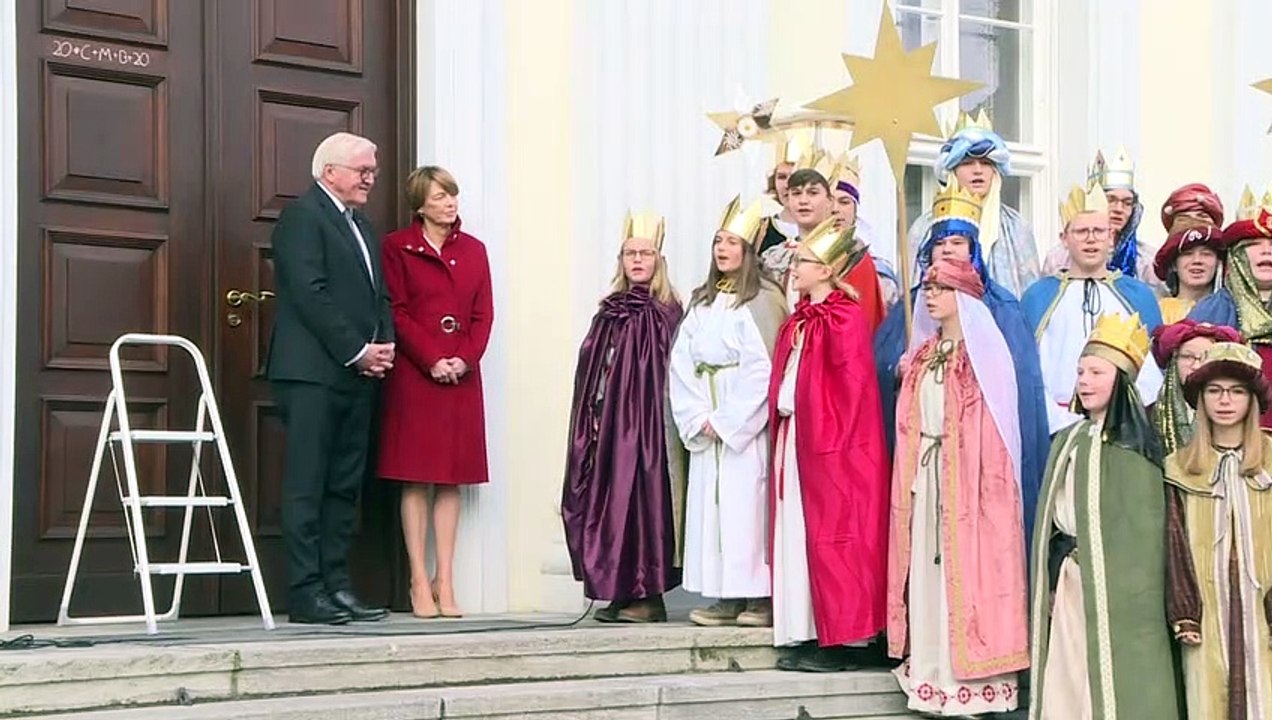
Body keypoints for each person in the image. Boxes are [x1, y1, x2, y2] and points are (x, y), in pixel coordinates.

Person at [887, 258, 1028, 715]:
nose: (930, 296)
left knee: (969, 576)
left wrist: (974, 481)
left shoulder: (983, 356)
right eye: (928, 287)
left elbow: (997, 428)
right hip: (927, 475)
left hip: (972, 482)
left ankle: (973, 684)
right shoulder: (925, 355)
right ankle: (933, 676)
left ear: (963, 297)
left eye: (941, 288)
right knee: (929, 576)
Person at [267, 131, 395, 625]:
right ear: (330, 172)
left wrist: (382, 346)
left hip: (359, 375)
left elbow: (377, 294)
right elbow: (309, 292)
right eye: (363, 171)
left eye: (372, 172)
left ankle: (337, 586)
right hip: (312, 375)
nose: (370, 179)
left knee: (344, 485)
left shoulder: (362, 225)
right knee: (308, 482)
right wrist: (357, 350)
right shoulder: (303, 217)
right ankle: (305, 593)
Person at [875, 180, 1048, 544]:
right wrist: (898, 370)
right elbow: (880, 363)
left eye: (958, 243)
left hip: (979, 455)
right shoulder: (909, 306)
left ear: (974, 250)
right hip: (923, 448)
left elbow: (1018, 381)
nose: (949, 250)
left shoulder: (1001, 307)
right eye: (941, 243)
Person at [1028, 313, 1181, 720]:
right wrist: (1054, 567)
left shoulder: (1136, 450)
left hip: (1120, 592)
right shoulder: (1068, 440)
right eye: (1080, 371)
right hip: (1073, 581)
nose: (1085, 380)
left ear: (1122, 382)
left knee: (1119, 678)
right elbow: (1054, 522)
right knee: (1070, 671)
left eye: (1097, 372)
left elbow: (1143, 534)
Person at [768, 218, 888, 672]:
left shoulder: (844, 318)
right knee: (801, 536)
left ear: (826, 270)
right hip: (798, 438)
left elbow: (851, 390)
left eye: (803, 262)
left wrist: (822, 427)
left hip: (835, 448)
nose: (795, 268)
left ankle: (840, 638)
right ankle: (806, 628)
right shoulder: (799, 318)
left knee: (834, 537)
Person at [378, 166, 493, 619]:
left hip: (462, 375)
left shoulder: (475, 251)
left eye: (453, 195)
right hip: (417, 374)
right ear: (420, 204)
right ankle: (417, 579)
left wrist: (465, 358)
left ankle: (445, 579)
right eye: (440, 196)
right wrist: (432, 359)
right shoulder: (397, 248)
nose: (450, 203)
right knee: (416, 475)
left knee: (451, 477)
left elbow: (483, 315)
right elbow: (398, 311)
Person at [670, 195, 787, 628]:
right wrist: (697, 415)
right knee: (712, 510)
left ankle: (757, 594)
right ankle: (723, 594)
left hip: (742, 427)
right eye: (718, 241)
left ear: (749, 251)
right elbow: (681, 362)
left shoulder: (762, 300)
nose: (723, 249)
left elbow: (763, 367)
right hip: (706, 416)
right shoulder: (702, 301)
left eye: (732, 242)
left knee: (746, 508)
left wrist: (727, 421)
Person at [561, 212, 684, 624]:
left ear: (658, 260)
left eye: (645, 253)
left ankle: (647, 595)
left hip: (644, 430)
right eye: (630, 253)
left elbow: (662, 371)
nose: (637, 260)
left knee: (641, 505)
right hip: (607, 426)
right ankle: (617, 590)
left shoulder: (664, 312)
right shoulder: (609, 311)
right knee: (608, 505)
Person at [1165, 341, 1272, 719]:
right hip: (1207, 612)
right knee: (1210, 697)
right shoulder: (1179, 468)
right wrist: (1185, 613)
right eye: (1214, 391)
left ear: (1251, 400)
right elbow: (1175, 543)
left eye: (1237, 391)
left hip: (1263, 611)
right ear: (1201, 400)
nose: (1225, 400)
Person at [1021, 181, 1163, 433]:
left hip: (1123, 427)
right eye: (1081, 231)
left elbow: (1151, 367)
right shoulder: (1038, 296)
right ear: (1064, 239)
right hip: (1054, 427)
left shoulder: (1138, 295)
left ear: (1111, 237)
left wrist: (1122, 416)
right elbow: (1027, 366)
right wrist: (1058, 420)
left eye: (1099, 231)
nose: (1091, 239)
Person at [907, 109, 1039, 297]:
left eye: (986, 163)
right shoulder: (925, 228)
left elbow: (1030, 298)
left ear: (995, 171)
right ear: (952, 170)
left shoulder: (1017, 228)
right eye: (967, 163)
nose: (978, 170)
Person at [759, 153, 884, 328]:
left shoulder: (852, 258)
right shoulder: (776, 256)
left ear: (828, 201)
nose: (804, 201)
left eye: (813, 193)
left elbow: (863, 328)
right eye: (797, 193)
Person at [1188, 195, 1272, 429]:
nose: (1266, 252)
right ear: (1236, 255)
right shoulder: (1209, 312)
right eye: (1254, 244)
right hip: (1225, 437)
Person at [1043, 147, 1154, 284]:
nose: (1119, 209)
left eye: (1127, 203)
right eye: (1111, 200)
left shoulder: (1145, 260)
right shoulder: (1059, 258)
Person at [1150, 320, 1243, 456]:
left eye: (1205, 357)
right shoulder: (1148, 416)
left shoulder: (1235, 412)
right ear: (1174, 362)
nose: (1196, 366)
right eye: (1188, 357)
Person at [1155, 183, 1226, 324]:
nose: (1197, 260)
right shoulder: (1155, 311)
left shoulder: (1232, 311)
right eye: (1187, 254)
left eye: (1206, 254)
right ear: (1174, 264)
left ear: (1218, 262)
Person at [758, 132, 811, 254]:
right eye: (781, 177)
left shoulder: (823, 231)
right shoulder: (760, 229)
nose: (787, 184)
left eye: (794, 176)